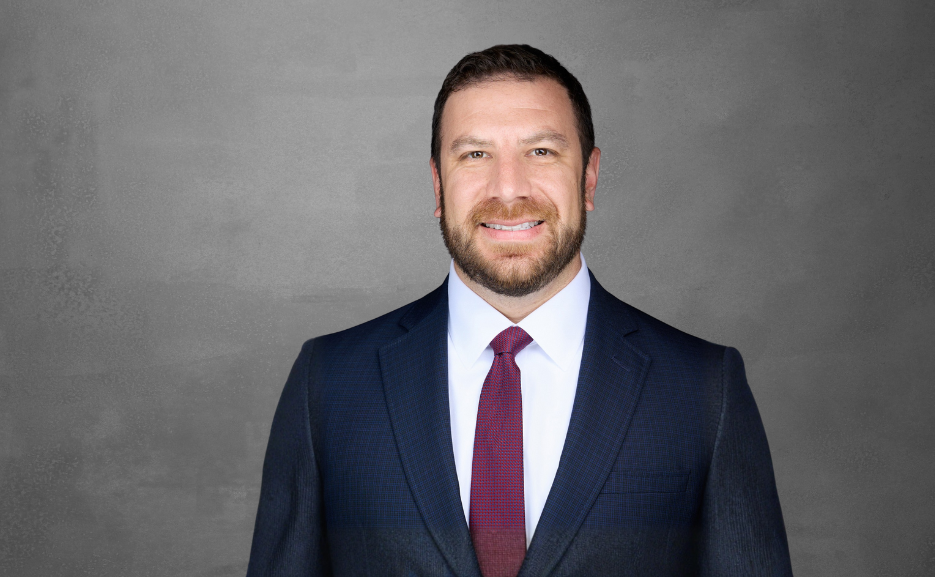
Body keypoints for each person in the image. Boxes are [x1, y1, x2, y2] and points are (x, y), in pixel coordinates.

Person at [246, 44, 792, 577]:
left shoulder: (704, 390)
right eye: (475, 154)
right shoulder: (330, 383)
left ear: (590, 177)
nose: (509, 190)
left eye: (541, 152)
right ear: (438, 183)